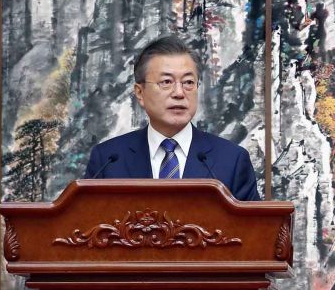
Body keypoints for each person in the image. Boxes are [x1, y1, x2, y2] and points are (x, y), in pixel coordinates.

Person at [83, 35, 261, 201]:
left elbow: (253, 231)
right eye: (166, 82)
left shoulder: (232, 161)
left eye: (188, 82)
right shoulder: (108, 159)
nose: (179, 93)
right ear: (140, 93)